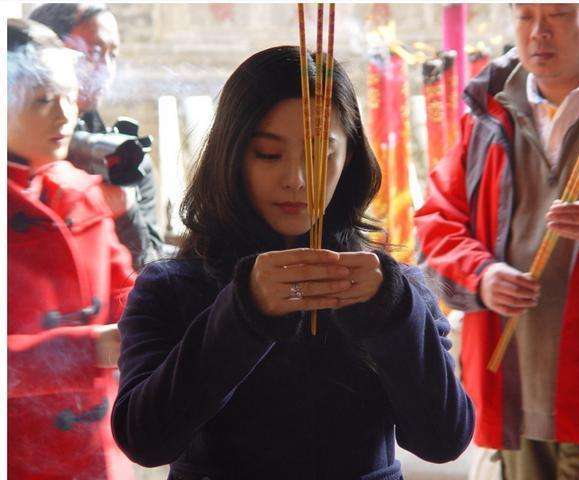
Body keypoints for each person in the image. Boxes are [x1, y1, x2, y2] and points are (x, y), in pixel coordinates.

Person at [111, 45, 474, 479]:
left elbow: (443, 439)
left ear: (351, 157)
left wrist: (394, 313)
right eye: (268, 154)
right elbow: (144, 440)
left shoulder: (386, 287)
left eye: (321, 154)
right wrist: (243, 313)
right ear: (231, 157)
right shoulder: (172, 285)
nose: (296, 179)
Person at [415, 4, 579, 479]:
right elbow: (437, 219)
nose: (539, 32)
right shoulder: (487, 108)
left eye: (558, 13)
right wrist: (483, 274)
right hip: (515, 387)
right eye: (525, 15)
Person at [7, 18, 135, 479]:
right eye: (42, 100)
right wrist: (89, 349)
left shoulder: (80, 190)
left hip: (99, 447)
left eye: (67, 96)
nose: (64, 115)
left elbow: (126, 290)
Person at [29, 2, 165, 269]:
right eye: (93, 51)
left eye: (112, 55)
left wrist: (126, 214)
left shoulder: (125, 162)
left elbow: (152, 277)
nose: (106, 68)